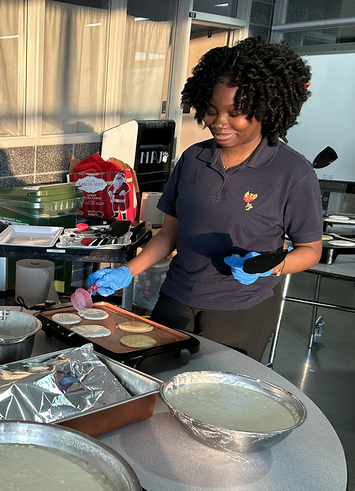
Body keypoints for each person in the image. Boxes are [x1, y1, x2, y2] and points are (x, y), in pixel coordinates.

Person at [89, 38, 323, 362]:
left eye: (235, 113)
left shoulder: (293, 173)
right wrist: (128, 271)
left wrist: (270, 267)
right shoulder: (193, 158)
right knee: (154, 380)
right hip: (176, 297)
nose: (219, 122)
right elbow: (170, 234)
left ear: (265, 110)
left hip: (241, 308)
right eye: (212, 111)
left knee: (217, 405)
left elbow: (311, 250)